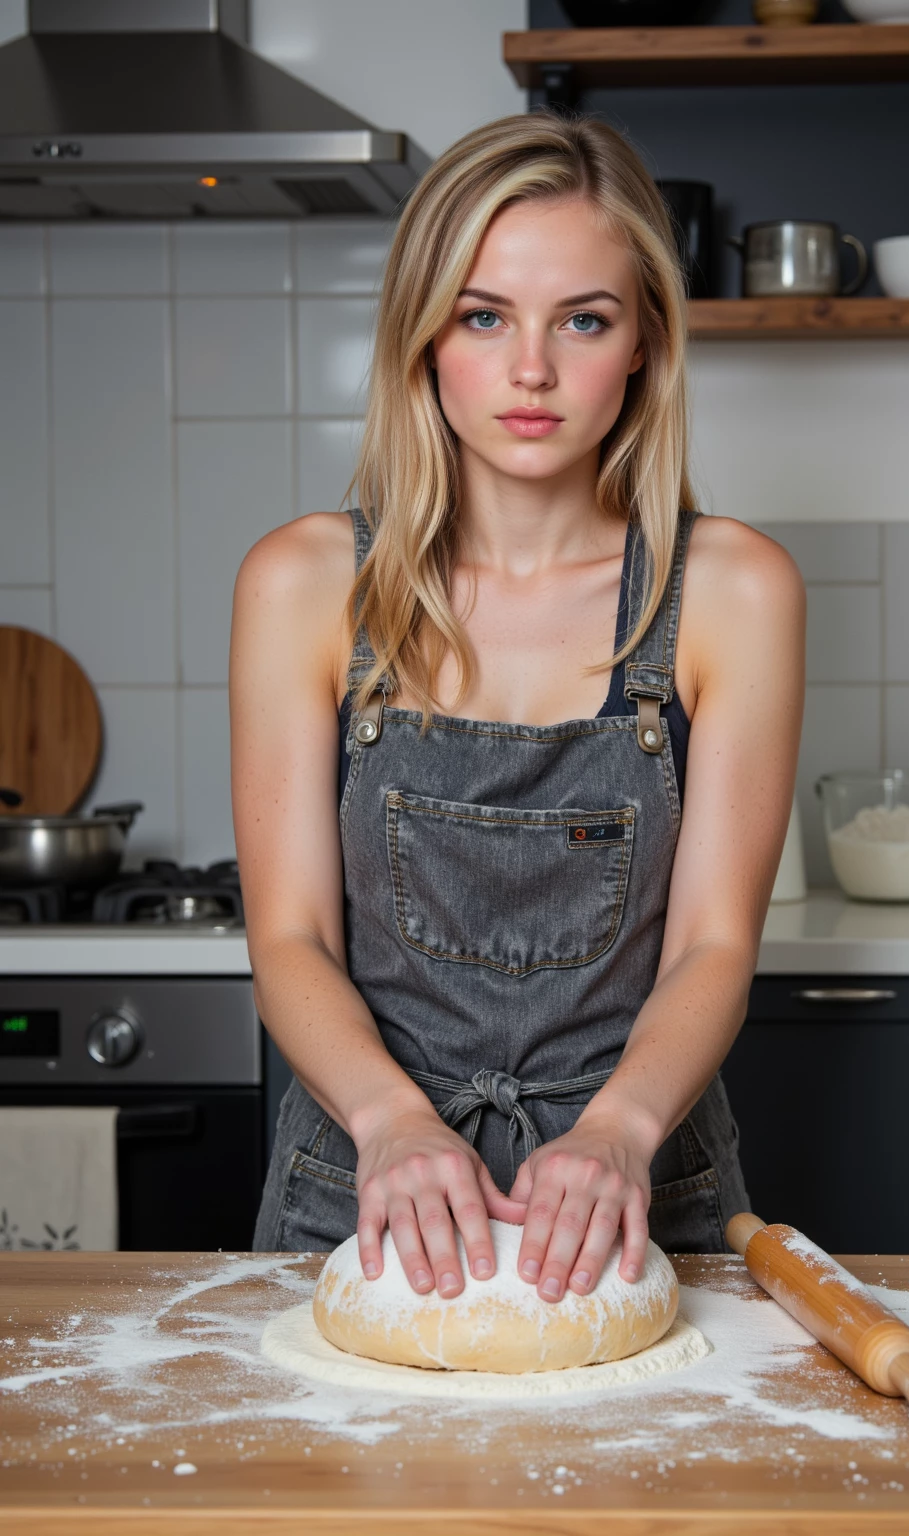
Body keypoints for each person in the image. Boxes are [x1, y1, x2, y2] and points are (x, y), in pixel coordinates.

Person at [232, 111, 805, 1309]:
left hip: (639, 1196)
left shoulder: (733, 592)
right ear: (424, 337)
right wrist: (392, 1120)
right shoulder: (302, 585)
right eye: (484, 315)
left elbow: (713, 946)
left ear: (644, 339)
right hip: (364, 1196)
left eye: (582, 319)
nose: (530, 369)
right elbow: (289, 941)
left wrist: (617, 1133)